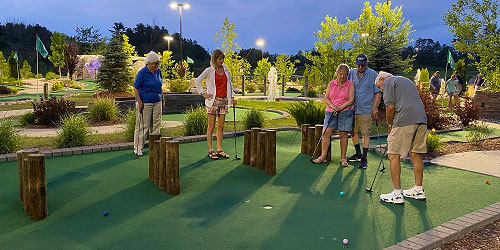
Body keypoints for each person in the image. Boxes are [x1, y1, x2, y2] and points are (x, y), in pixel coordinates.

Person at [375, 72, 428, 204]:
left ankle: (397, 195)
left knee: (393, 155)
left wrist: (389, 124)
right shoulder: (405, 80)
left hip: (404, 120)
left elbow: (390, 107)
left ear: (382, 79)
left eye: (379, 87)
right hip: (422, 119)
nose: (381, 90)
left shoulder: (388, 82)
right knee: (416, 154)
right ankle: (418, 190)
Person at [195, 49, 236, 160]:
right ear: (214, 59)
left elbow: (230, 85)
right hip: (213, 101)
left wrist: (232, 97)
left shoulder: (225, 69)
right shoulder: (209, 70)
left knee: (221, 127)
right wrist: (203, 93)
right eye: (219, 59)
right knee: (211, 126)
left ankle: (219, 149)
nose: (221, 61)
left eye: (222, 59)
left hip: (223, 101)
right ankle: (210, 150)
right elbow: (197, 81)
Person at [312, 64, 355, 166]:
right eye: (340, 74)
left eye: (345, 74)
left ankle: (343, 158)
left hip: (345, 111)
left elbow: (351, 100)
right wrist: (333, 106)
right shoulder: (331, 84)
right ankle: (323, 156)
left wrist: (341, 107)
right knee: (326, 133)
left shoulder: (350, 85)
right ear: (337, 73)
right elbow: (326, 98)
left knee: (343, 134)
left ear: (347, 75)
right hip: (331, 111)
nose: (342, 76)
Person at [347, 54, 381, 169]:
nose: (360, 67)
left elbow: (377, 93)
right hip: (351, 108)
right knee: (352, 132)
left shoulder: (373, 75)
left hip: (366, 109)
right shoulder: (351, 73)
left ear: (366, 63)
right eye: (358, 65)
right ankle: (358, 154)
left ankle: (364, 159)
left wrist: (375, 107)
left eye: (362, 65)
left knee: (365, 133)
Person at [133, 51, 165, 156]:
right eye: (155, 63)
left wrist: (163, 97)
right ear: (149, 63)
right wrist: (139, 101)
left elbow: (159, 86)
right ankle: (137, 148)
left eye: (158, 63)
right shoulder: (143, 72)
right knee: (143, 125)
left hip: (157, 100)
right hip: (145, 102)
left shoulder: (158, 71)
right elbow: (136, 88)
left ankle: (155, 146)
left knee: (156, 125)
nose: (157, 65)